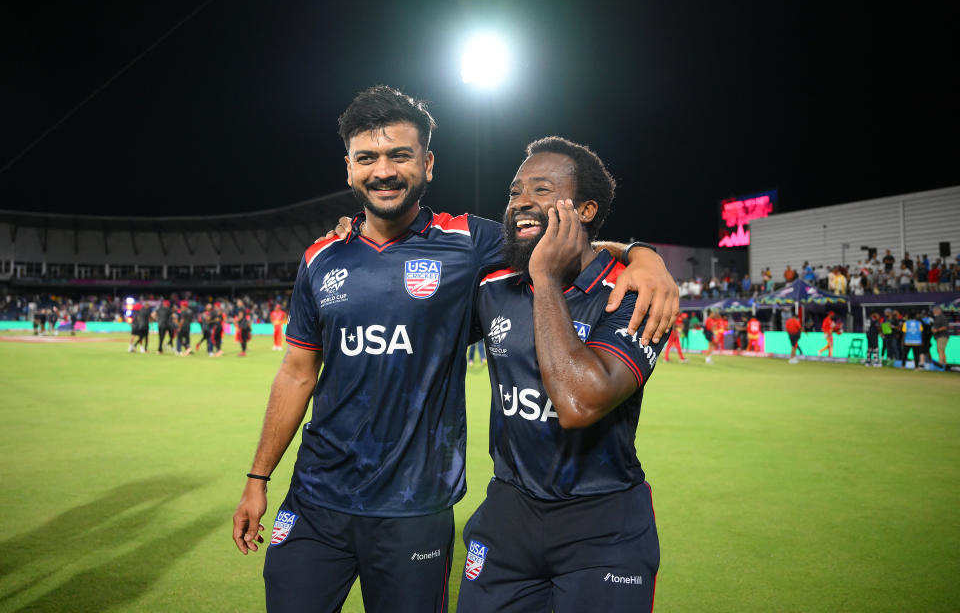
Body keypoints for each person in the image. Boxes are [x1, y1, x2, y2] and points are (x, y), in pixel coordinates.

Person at [231, 86, 679, 613]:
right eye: (367, 158)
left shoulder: (471, 243)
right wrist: (258, 477)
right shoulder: (322, 256)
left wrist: (642, 254)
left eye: (400, 155)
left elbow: (558, 239)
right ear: (349, 168)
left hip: (415, 505)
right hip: (315, 495)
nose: (384, 171)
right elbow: (297, 373)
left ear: (427, 163)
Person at [457, 138, 661, 612]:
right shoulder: (493, 286)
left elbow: (580, 402)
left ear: (586, 209)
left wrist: (547, 278)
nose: (521, 202)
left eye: (542, 189)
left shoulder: (632, 292)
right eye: (514, 192)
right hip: (508, 515)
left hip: (603, 524)